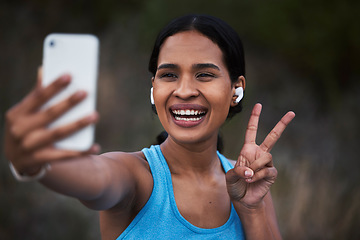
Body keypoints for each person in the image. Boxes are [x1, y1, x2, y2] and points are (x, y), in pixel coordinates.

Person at [4, 14, 295, 239]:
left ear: (235, 89)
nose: (183, 90)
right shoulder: (136, 177)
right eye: (168, 74)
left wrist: (251, 208)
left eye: (204, 74)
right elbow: (93, 176)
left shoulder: (250, 183)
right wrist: (34, 162)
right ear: (153, 88)